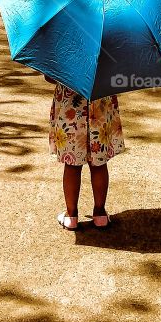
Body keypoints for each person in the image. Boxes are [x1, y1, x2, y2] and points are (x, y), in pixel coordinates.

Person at [46, 76, 125, 230]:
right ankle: (100, 214)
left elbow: (49, 76)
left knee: (72, 164)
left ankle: (71, 216)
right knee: (99, 163)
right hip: (100, 101)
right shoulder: (106, 51)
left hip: (70, 107)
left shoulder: (64, 50)